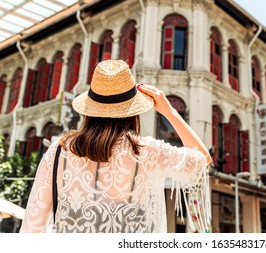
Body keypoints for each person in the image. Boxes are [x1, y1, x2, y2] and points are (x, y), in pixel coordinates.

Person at [20, 60, 211, 233]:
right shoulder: (148, 151)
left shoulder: (59, 151)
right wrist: (169, 111)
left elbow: (32, 226)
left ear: (90, 109)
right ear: (133, 111)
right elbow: (203, 158)